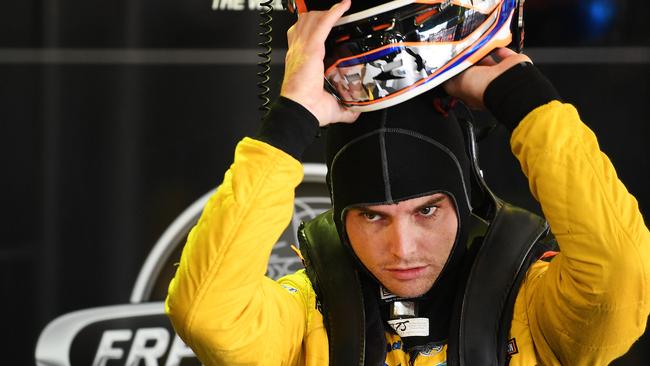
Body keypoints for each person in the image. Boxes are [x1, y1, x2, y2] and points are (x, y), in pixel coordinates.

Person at [165, 0, 650, 364]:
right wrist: (290, 122)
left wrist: (527, 103)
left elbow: (620, 276)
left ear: (465, 201)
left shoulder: (537, 306)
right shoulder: (307, 319)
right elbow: (205, 313)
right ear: (337, 216)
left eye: (426, 210)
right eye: (372, 215)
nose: (402, 248)